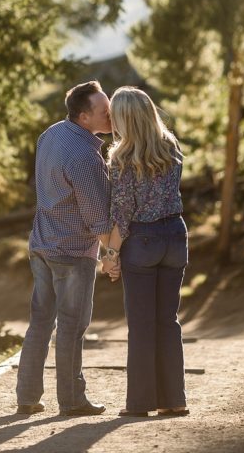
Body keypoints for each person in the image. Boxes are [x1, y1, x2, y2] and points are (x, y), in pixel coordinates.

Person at [15, 80, 113, 416]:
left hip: (41, 243)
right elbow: (99, 218)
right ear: (85, 117)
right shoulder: (85, 156)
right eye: (105, 111)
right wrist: (111, 255)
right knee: (72, 326)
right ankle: (72, 400)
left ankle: (27, 397)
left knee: (40, 322)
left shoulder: (53, 132)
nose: (111, 115)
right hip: (71, 252)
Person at [101, 86, 189, 418]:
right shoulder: (171, 147)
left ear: (125, 119)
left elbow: (122, 216)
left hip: (142, 241)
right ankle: (175, 400)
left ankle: (139, 404)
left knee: (141, 325)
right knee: (168, 321)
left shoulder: (121, 157)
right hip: (175, 236)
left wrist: (111, 257)